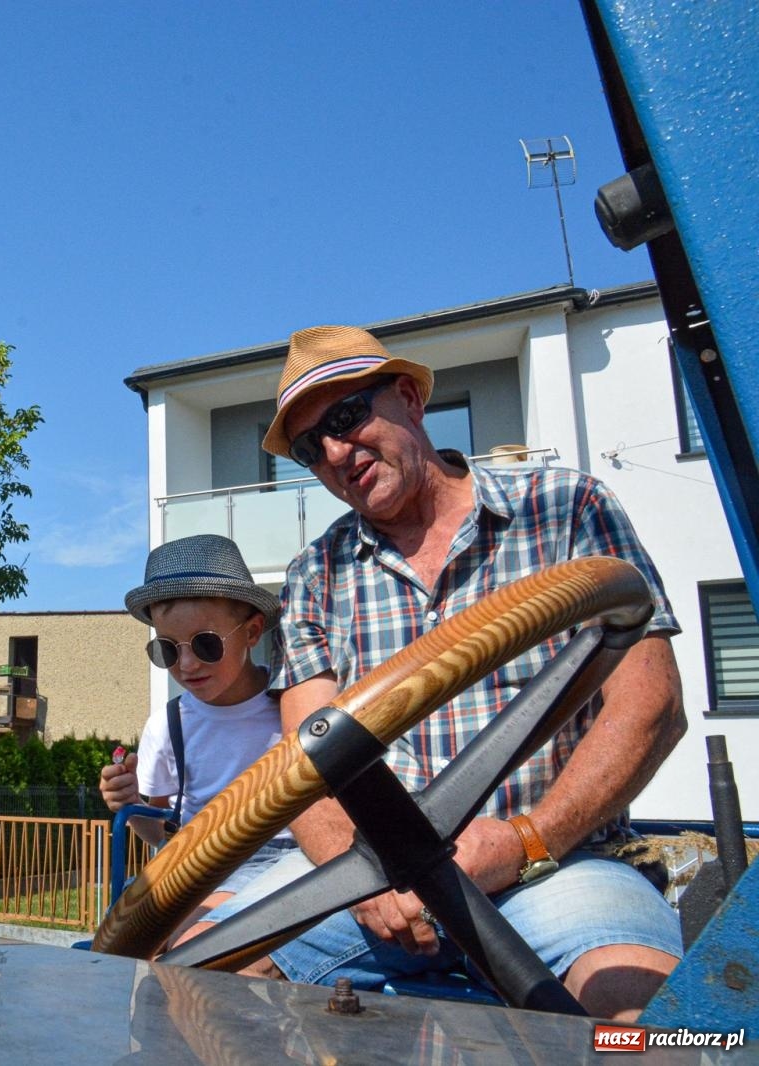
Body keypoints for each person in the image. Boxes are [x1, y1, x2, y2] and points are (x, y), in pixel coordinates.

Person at [213, 324, 686, 1020]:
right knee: (174, 981)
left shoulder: (564, 508)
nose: (337, 453)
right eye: (313, 448)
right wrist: (363, 879)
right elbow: (303, 768)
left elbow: (649, 706)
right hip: (377, 881)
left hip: (558, 865)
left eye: (345, 418)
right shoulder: (316, 574)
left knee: (640, 1026)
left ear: (409, 398)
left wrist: (526, 839)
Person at [98, 534, 298, 944]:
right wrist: (131, 804)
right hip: (196, 861)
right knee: (118, 933)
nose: (187, 664)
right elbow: (163, 832)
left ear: (252, 632)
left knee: (184, 941)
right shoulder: (168, 725)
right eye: (168, 650)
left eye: (206, 644)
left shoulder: (292, 707)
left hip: (282, 862)